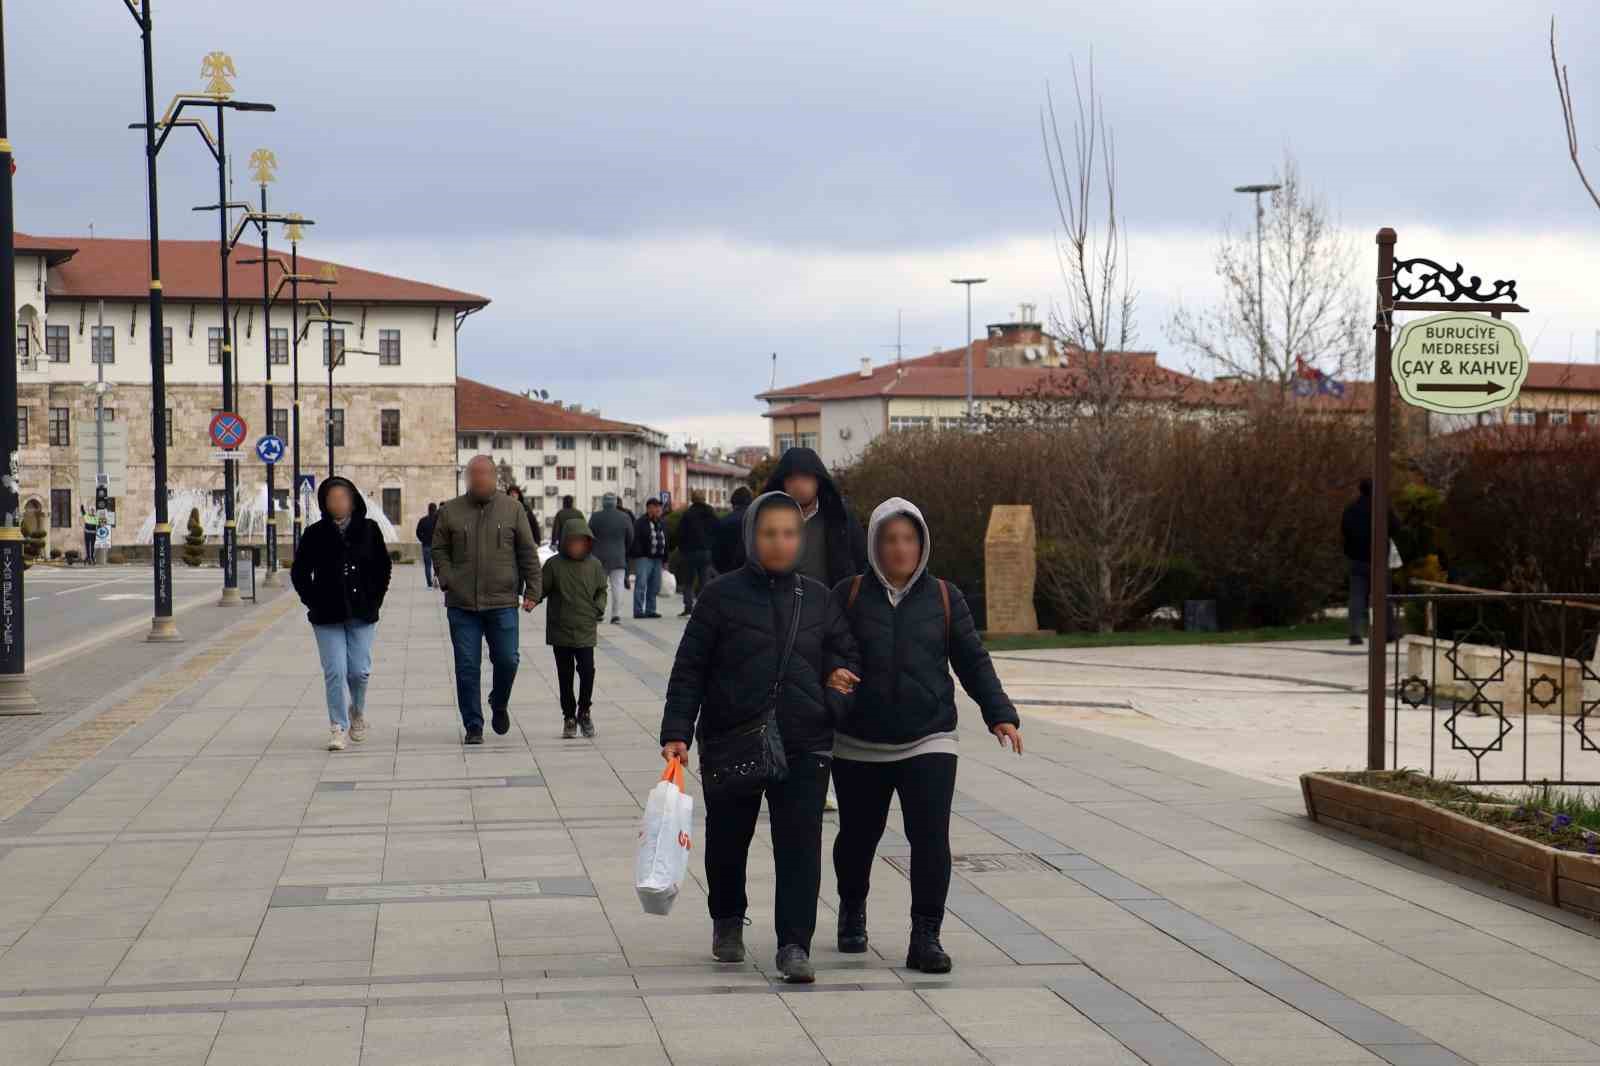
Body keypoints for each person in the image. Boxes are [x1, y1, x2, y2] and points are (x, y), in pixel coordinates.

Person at [660, 491, 861, 984]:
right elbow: (690, 668)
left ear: (800, 538)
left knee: (800, 847)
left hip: (804, 740)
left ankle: (794, 944)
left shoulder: (818, 598)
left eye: (789, 533)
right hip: (733, 736)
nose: (779, 542)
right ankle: (727, 919)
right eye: (769, 533)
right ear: (753, 536)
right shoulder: (720, 596)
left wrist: (834, 695)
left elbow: (846, 656)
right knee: (729, 840)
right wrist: (677, 731)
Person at [830, 498, 1021, 973]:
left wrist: (999, 713)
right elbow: (824, 649)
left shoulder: (944, 597)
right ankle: (852, 910)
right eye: (890, 539)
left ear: (922, 544)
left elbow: (972, 660)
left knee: (931, 837)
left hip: (929, 737)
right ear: (875, 545)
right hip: (859, 741)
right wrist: (831, 674)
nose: (900, 548)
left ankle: (926, 935)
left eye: (909, 539)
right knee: (857, 839)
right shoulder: (848, 595)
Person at [432, 455, 541, 744]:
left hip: (502, 601)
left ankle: (499, 701)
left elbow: (527, 552)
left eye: (485, 474)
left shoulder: (513, 509)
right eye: (475, 474)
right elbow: (438, 549)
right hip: (462, 604)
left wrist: (533, 591)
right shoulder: (450, 511)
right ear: (468, 478)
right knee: (467, 667)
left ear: (494, 477)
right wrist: (447, 577)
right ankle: (473, 725)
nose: (480, 479)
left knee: (508, 659)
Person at [291, 476, 393, 751]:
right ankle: (338, 726)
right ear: (324, 503)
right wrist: (313, 600)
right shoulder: (315, 533)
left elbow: (383, 567)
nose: (338, 503)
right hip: (327, 615)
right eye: (332, 499)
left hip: (362, 612)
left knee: (359, 671)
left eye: (343, 498)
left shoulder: (369, 530)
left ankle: (357, 711)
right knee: (335, 671)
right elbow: (299, 572)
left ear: (353, 501)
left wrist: (375, 598)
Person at [756, 447, 867, 586]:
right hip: (779, 597)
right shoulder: (766, 520)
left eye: (805, 478)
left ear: (818, 481)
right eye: (792, 479)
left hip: (830, 597)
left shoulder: (839, 517)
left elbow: (862, 562)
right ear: (783, 483)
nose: (798, 485)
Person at [542, 517, 608, 738]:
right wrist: (531, 598)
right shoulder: (553, 565)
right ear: (565, 542)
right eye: (573, 541)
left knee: (588, 671)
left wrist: (598, 608)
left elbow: (602, 589)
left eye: (581, 541)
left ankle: (584, 710)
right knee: (565, 675)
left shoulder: (594, 565)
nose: (577, 546)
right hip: (560, 629)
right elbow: (541, 588)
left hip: (585, 628)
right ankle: (569, 716)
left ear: (588, 542)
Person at [1341, 477, 1400, 646]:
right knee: (1384, 595)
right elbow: (1396, 527)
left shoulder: (1351, 509)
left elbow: (1344, 530)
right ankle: (1387, 631)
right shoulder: (1382, 508)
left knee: (1357, 596)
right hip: (1379, 558)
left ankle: (1355, 633)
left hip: (1357, 558)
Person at [587, 493, 634, 624]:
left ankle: (598, 612)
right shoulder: (624, 517)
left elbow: (588, 536)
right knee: (617, 587)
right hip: (618, 557)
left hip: (598, 558)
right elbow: (630, 537)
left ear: (603, 503)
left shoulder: (595, 517)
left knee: (598, 587)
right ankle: (616, 615)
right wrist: (623, 549)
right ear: (615, 503)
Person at [675, 491, 719, 616]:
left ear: (692, 499)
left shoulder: (688, 514)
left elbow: (680, 533)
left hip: (690, 552)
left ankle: (688, 607)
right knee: (704, 581)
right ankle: (704, 608)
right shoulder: (710, 513)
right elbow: (717, 529)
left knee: (688, 581)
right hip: (706, 552)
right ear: (704, 499)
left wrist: (682, 549)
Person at [630, 497, 669, 619]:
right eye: (656, 507)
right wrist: (639, 553)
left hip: (658, 558)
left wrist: (665, 560)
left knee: (655, 585)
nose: (659, 509)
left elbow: (666, 541)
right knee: (641, 584)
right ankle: (638, 610)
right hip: (644, 558)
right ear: (649, 508)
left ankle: (650, 610)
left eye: (659, 507)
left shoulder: (662, 522)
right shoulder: (640, 523)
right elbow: (635, 540)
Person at [712, 485, 752, 574]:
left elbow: (716, 551)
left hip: (729, 571)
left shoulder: (723, 522)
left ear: (733, 503)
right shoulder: (759, 520)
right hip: (753, 571)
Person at [415, 502, 440, 589]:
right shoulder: (438, 521)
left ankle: (429, 583)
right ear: (435, 510)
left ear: (428, 510)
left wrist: (423, 539)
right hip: (437, 546)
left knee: (427, 565)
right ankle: (436, 579)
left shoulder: (423, 520)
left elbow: (418, 532)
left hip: (426, 546)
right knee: (437, 564)